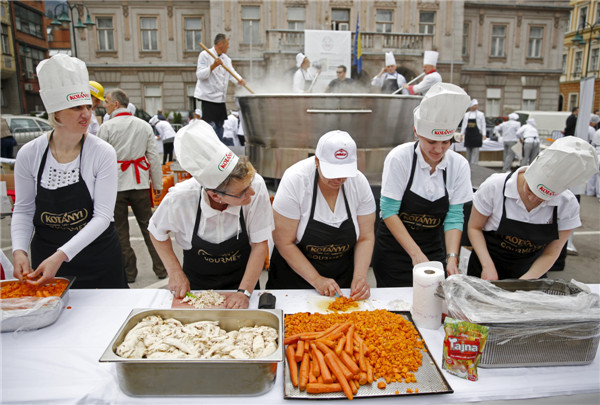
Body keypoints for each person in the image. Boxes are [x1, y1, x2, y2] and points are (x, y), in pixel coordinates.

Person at [11, 54, 127, 288]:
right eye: (76, 108)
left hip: (98, 259)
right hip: (46, 260)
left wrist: (61, 255)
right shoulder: (29, 154)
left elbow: (103, 217)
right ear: (56, 113)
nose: (86, 114)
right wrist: (19, 251)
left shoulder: (102, 152)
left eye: (88, 106)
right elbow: (23, 210)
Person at [148, 120, 273, 308]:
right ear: (215, 195)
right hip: (196, 288)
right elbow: (156, 232)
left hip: (244, 283)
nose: (251, 193)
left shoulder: (255, 185)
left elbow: (260, 245)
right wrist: (175, 272)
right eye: (241, 193)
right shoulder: (181, 198)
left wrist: (244, 292)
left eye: (249, 185)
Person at [372, 83, 473, 287]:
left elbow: (454, 215)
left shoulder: (459, 164)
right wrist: (415, 254)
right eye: (431, 142)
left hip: (433, 248)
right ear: (416, 132)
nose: (438, 149)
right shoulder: (400, 158)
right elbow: (389, 211)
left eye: (445, 142)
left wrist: (452, 257)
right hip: (394, 251)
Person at [467, 136, 598, 280]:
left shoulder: (567, 204)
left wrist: (524, 282)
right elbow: (474, 228)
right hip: (486, 268)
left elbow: (551, 252)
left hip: (532, 273)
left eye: (542, 198)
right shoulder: (496, 186)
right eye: (530, 190)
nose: (532, 199)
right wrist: (487, 266)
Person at [266, 130, 375, 299]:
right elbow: (283, 241)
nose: (339, 179)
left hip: (342, 284)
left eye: (344, 172)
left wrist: (360, 277)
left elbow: (366, 237)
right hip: (293, 283)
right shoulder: (295, 180)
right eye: (332, 172)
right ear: (317, 161)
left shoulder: (358, 183)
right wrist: (316, 279)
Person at [97, 89, 166, 283]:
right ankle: (161, 268)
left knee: (121, 231)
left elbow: (100, 160)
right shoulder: (143, 126)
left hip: (116, 185)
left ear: (116, 104)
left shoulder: (107, 127)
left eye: (107, 102)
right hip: (140, 183)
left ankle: (129, 273)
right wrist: (157, 183)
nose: (105, 105)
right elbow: (153, 156)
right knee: (149, 227)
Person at [194, 33, 246, 142]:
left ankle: (218, 147)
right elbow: (200, 75)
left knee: (220, 125)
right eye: (227, 44)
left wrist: (239, 80)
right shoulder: (205, 55)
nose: (228, 46)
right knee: (210, 126)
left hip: (220, 99)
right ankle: (211, 148)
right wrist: (213, 66)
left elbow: (232, 73)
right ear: (220, 44)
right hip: (208, 97)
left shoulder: (226, 59)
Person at [460, 99, 486, 165]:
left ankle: (475, 165)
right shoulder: (466, 115)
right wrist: (461, 134)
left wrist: (484, 134)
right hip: (468, 135)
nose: (476, 106)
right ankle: (467, 165)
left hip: (477, 135)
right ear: (471, 106)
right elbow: (464, 125)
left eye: (477, 105)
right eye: (475, 105)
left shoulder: (480, 114)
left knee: (475, 152)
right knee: (468, 152)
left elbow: (483, 124)